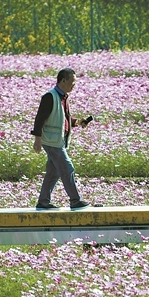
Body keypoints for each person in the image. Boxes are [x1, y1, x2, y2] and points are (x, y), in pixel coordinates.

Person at [31, 68, 92, 210]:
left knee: (53, 172)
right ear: (63, 81)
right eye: (72, 82)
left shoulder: (63, 97)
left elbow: (63, 119)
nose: (74, 85)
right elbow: (39, 119)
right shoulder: (50, 97)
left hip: (58, 140)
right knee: (67, 168)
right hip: (52, 141)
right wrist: (37, 139)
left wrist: (77, 122)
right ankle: (75, 200)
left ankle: (43, 202)